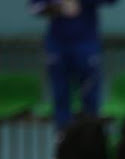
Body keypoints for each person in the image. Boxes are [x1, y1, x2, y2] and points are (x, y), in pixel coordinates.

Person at [29, 0, 118, 131]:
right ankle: (63, 136)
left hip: (86, 43)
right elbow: (34, 7)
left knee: (90, 95)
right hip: (58, 44)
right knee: (60, 94)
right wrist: (59, 7)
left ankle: (92, 136)